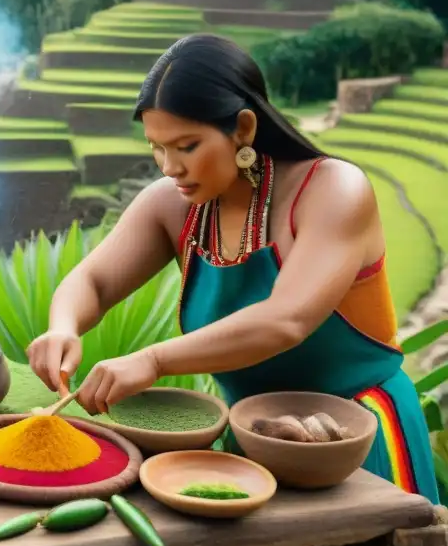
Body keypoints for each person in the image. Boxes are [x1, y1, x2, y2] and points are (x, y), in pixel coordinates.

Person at [27, 33, 439, 506]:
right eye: (156, 148)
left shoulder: (333, 190)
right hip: (253, 440)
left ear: (243, 128)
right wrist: (64, 327)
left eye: (186, 146)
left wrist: (154, 360)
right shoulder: (172, 205)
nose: (170, 167)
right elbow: (92, 282)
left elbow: (286, 319)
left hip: (353, 440)